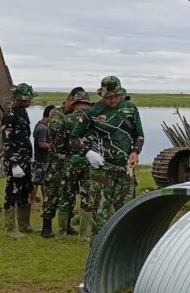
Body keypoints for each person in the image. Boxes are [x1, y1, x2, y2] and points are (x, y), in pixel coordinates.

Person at [70, 76, 144, 239]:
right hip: (101, 171)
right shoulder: (92, 112)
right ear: (102, 95)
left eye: (116, 96)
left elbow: (139, 135)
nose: (113, 100)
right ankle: (98, 251)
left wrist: (135, 152)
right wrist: (87, 152)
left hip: (124, 170)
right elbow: (74, 138)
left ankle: (123, 249)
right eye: (108, 97)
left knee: (127, 214)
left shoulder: (130, 109)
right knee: (100, 216)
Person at [43, 89, 88, 238]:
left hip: (71, 162)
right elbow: (57, 131)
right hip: (56, 163)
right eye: (75, 102)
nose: (75, 106)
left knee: (70, 193)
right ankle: (46, 227)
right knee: (52, 193)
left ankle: (67, 225)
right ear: (69, 99)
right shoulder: (56, 113)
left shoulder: (77, 116)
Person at [3, 83, 36, 238]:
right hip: (15, 161)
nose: (27, 103)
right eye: (24, 100)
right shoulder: (9, 115)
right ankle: (10, 229)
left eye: (28, 100)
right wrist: (14, 164)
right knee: (12, 192)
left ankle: (24, 225)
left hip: (25, 159)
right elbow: (8, 142)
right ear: (16, 98)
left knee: (25, 191)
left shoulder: (23, 112)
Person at [30, 105, 53, 208]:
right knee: (36, 182)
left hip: (40, 158)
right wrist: (53, 146)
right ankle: (31, 201)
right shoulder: (43, 128)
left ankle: (45, 201)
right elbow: (42, 144)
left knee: (44, 182)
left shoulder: (39, 125)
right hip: (41, 159)